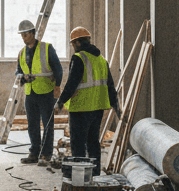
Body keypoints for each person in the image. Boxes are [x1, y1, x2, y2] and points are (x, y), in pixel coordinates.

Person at [55, 26, 120, 176]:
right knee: (93, 144)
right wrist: (116, 105)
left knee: (78, 145)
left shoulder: (79, 58)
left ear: (77, 43)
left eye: (72, 44)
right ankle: (95, 175)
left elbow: (72, 84)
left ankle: (80, 177)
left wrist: (60, 102)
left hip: (80, 109)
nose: (73, 48)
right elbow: (110, 85)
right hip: (97, 109)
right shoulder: (101, 59)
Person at [15, 18, 62, 166]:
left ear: (33, 34)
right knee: (32, 124)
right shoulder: (21, 53)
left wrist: (57, 87)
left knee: (47, 123)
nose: (24, 37)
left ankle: (46, 154)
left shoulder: (46, 48)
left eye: (26, 34)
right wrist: (22, 77)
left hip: (46, 91)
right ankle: (34, 152)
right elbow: (18, 72)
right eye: (22, 35)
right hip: (30, 93)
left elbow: (58, 69)